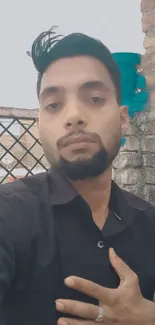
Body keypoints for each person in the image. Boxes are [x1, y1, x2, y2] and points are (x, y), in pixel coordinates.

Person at [0, 27, 155, 325]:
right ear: (39, 124)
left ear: (123, 119)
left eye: (95, 98)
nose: (73, 115)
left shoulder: (149, 223)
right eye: (54, 105)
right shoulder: (9, 215)